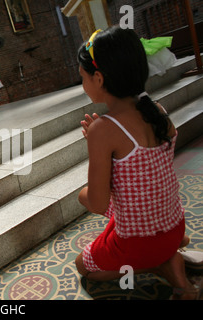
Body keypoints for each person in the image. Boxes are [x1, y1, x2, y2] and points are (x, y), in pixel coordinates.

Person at [75, 26, 200, 300]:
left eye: (82, 77)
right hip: (175, 226)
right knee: (125, 216)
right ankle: (170, 253)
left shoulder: (103, 130)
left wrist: (81, 194)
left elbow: (96, 203)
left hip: (138, 244)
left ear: (98, 78)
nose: (82, 84)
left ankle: (162, 265)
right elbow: (140, 179)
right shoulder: (157, 112)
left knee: (84, 266)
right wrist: (103, 139)